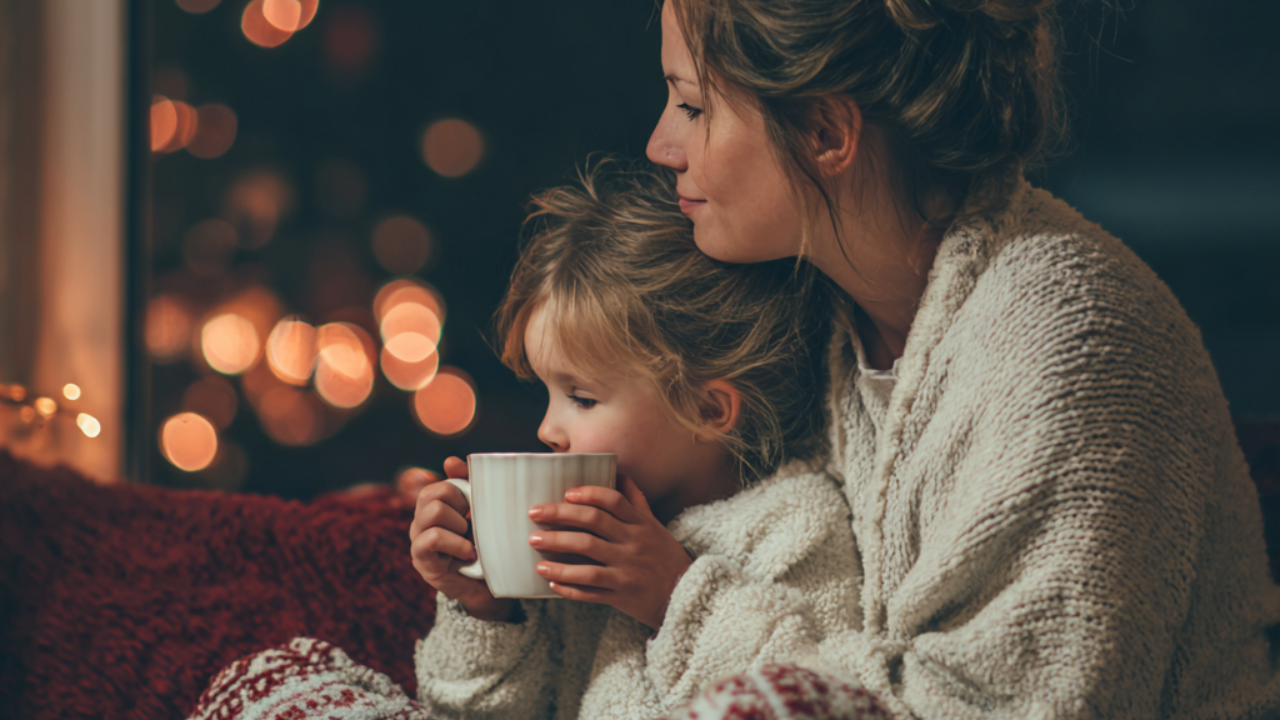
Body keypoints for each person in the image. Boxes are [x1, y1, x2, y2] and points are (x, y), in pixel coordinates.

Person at [643, 0, 1280, 718]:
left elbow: (1010, 704)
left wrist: (682, 601)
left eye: (693, 106)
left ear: (825, 132)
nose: (661, 145)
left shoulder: (1069, 343)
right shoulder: (813, 320)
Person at [408, 161, 873, 719]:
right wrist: (487, 610)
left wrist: (674, 595)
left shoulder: (797, 527)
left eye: (581, 398)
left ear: (706, 410)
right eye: (547, 393)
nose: (546, 429)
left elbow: (817, 696)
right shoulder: (571, 537)